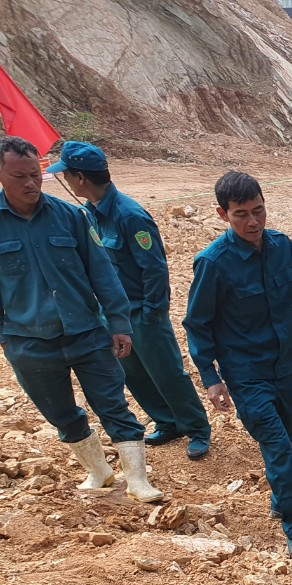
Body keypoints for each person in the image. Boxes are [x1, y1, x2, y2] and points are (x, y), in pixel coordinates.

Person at [183, 171, 292, 562]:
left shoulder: (281, 246)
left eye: (258, 211)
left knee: (286, 444)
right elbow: (197, 324)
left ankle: (281, 501)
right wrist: (212, 379)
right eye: (241, 214)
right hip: (245, 374)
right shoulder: (213, 263)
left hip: (283, 370)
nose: (252, 222)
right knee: (276, 446)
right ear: (222, 214)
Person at [0, 136, 164, 503]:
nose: (29, 183)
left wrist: (119, 323)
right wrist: (6, 336)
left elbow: (102, 273)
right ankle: (99, 471)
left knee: (113, 405)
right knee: (60, 413)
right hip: (27, 341)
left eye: (34, 174)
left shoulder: (71, 216)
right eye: (18, 176)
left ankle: (138, 480)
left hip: (87, 333)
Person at [50, 141, 212, 461]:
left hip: (142, 312)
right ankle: (167, 422)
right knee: (133, 374)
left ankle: (197, 428)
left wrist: (153, 312)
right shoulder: (89, 214)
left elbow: (154, 269)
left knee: (166, 372)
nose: (65, 181)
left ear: (80, 178)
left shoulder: (130, 215)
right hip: (114, 315)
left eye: (67, 175)